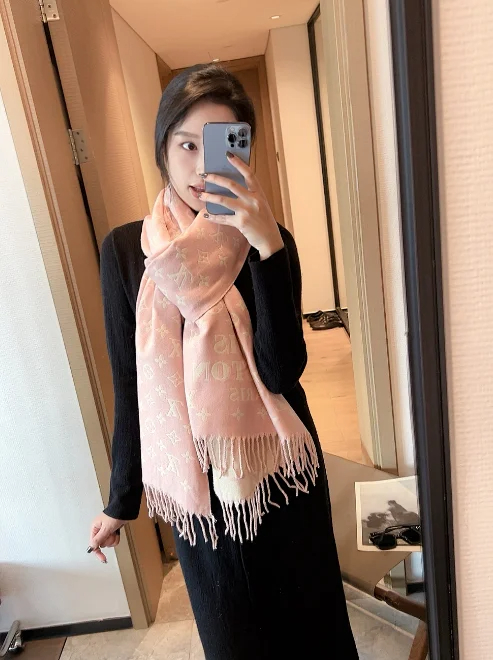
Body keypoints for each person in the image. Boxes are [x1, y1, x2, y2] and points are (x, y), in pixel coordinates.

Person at [88, 64, 358, 659]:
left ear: (243, 152)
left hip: (278, 478)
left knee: (313, 636)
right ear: (163, 148)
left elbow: (282, 372)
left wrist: (267, 248)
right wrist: (119, 502)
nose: (200, 167)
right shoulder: (126, 251)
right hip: (200, 491)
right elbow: (132, 385)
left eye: (218, 147)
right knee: (233, 640)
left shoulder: (270, 238)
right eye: (186, 145)